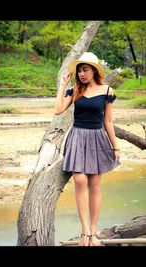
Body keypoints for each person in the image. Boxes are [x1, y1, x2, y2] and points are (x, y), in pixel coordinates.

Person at [54, 52, 121, 246]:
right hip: (77, 137)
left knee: (95, 185)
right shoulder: (75, 89)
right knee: (80, 180)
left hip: (97, 139)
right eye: (79, 71)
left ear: (93, 71)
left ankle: (93, 232)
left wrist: (115, 146)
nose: (82, 74)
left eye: (85, 70)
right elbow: (58, 110)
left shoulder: (107, 90)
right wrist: (62, 86)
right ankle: (84, 231)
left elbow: (108, 121)